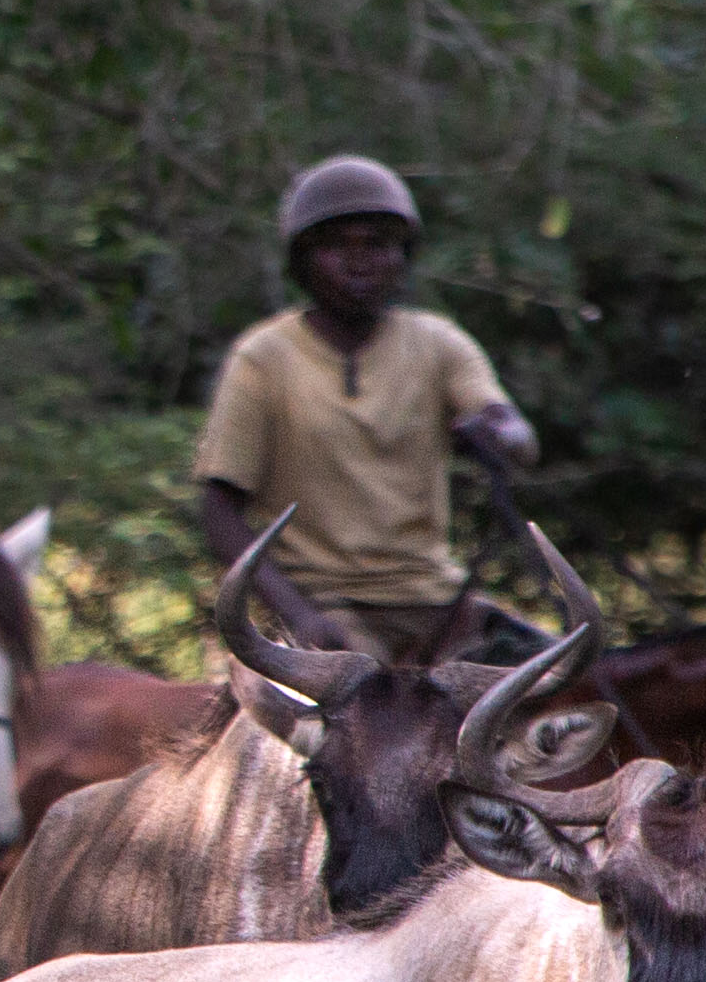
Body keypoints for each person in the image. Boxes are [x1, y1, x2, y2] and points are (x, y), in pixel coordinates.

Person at [191, 156, 541, 666]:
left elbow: (513, 431)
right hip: (326, 606)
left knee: (577, 682)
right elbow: (219, 510)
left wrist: (500, 435)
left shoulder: (438, 343)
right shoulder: (264, 358)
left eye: (376, 244)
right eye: (337, 246)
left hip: (437, 603)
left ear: (402, 256)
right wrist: (299, 616)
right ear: (303, 262)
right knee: (364, 705)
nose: (359, 262)